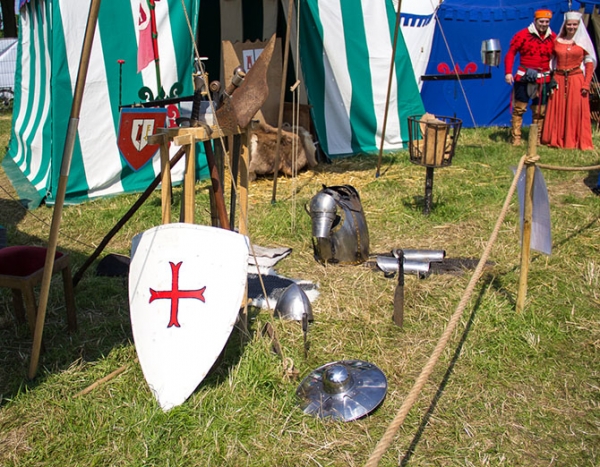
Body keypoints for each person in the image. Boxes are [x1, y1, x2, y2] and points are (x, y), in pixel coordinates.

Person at [541, 11, 596, 150]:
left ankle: (574, 140)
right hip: (559, 78)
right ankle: (556, 138)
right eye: (569, 24)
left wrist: (586, 83)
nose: (572, 27)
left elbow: (589, 63)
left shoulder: (583, 42)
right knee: (558, 108)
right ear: (565, 25)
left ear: (579, 25)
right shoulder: (557, 41)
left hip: (576, 78)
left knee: (575, 109)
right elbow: (550, 59)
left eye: (574, 24)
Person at [505, 9, 556, 146]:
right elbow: (511, 54)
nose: (544, 24)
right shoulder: (522, 35)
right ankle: (516, 137)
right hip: (524, 77)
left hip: (543, 78)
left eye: (547, 22)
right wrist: (508, 72)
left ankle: (536, 138)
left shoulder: (553, 37)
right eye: (541, 21)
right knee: (519, 108)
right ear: (535, 20)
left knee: (540, 110)